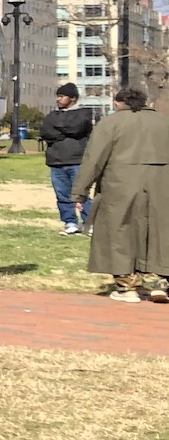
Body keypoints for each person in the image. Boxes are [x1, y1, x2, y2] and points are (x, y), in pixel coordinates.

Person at [70, 88, 169, 303]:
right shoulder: (163, 122)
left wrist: (79, 191)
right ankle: (160, 280)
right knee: (160, 231)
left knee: (119, 231)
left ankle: (127, 286)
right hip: (162, 184)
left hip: (120, 184)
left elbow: (93, 159)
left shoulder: (111, 123)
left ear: (119, 103)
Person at [39, 83, 95, 235]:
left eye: (62, 96)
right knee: (62, 194)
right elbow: (45, 131)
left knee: (80, 194)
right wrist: (64, 131)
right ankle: (70, 222)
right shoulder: (52, 115)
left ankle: (89, 222)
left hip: (77, 160)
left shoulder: (84, 113)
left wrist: (59, 129)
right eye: (58, 96)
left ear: (73, 98)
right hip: (56, 161)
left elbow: (77, 128)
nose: (59, 99)